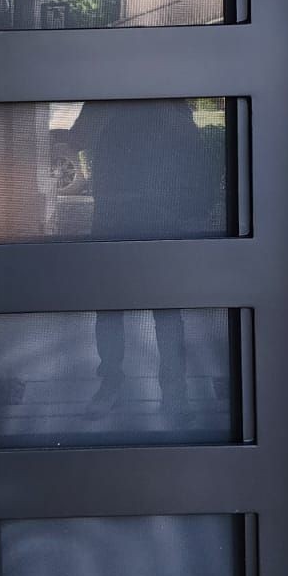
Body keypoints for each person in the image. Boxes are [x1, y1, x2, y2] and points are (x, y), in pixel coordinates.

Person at [66, 102, 220, 413]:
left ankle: (164, 393)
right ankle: (164, 394)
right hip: (126, 217)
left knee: (152, 312)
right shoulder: (118, 102)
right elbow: (75, 140)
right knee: (130, 310)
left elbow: (195, 161)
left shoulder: (162, 105)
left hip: (149, 218)